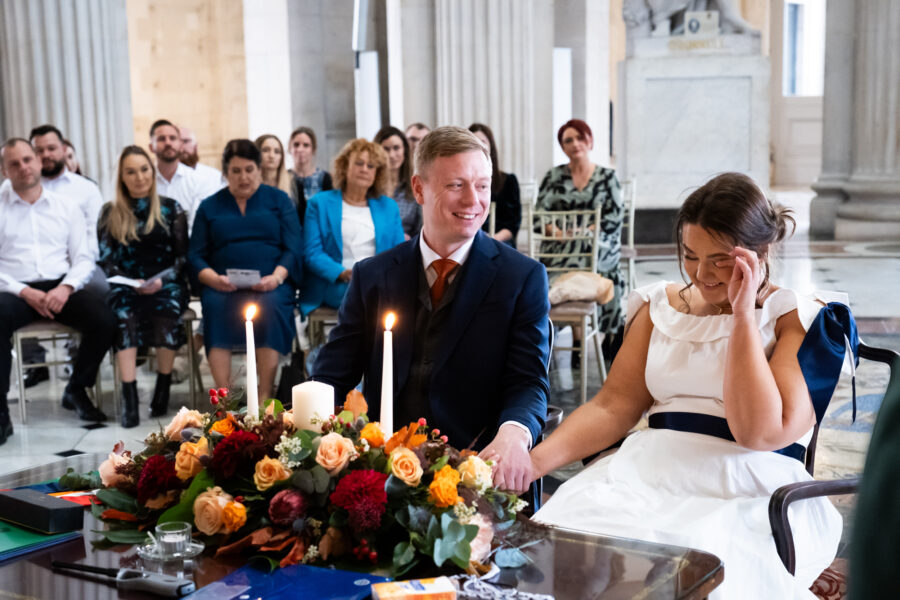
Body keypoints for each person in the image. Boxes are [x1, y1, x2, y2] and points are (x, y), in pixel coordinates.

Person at [527, 173, 843, 599]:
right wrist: (532, 464)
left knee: (700, 570)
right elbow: (612, 407)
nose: (701, 273)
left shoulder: (795, 318)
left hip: (745, 485)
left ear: (760, 251)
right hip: (644, 473)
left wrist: (743, 316)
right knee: (568, 551)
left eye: (719, 259)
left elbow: (759, 433)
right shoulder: (660, 305)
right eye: (691, 255)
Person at [311, 127, 551, 496]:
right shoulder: (372, 276)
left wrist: (514, 434)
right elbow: (332, 376)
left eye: (483, 186)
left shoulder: (522, 278)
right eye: (456, 185)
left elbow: (529, 381)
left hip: (480, 471)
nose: (474, 200)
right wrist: (302, 429)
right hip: (384, 474)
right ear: (420, 189)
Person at [0, 139, 114, 434]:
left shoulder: (66, 206)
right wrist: (24, 291)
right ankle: (1, 408)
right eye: (14, 163)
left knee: (105, 319)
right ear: (4, 170)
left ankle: (76, 388)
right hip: (14, 289)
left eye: (27, 159)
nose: (23, 167)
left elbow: (84, 257)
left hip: (59, 285)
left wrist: (66, 288)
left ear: (38, 162)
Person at [188, 139, 302, 402]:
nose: (243, 177)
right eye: (236, 171)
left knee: (272, 305)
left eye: (249, 169)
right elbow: (195, 255)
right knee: (213, 305)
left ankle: (263, 396)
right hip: (222, 287)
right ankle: (225, 400)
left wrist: (277, 277)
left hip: (270, 285)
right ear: (225, 172)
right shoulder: (209, 206)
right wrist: (212, 279)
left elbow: (293, 247)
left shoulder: (279, 201)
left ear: (260, 170)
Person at [97, 146, 190, 427]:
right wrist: (130, 281)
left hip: (166, 283)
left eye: (144, 169)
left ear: (152, 171)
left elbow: (183, 258)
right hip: (126, 285)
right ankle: (129, 397)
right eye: (131, 171)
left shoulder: (170, 207)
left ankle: (163, 388)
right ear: (122, 178)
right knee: (124, 315)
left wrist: (162, 280)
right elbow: (106, 259)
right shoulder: (110, 212)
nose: (139, 177)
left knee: (167, 310)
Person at [537, 118, 625, 340]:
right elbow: (540, 215)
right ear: (562, 146)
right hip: (560, 247)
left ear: (590, 141)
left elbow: (614, 216)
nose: (575, 143)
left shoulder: (607, 177)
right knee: (551, 272)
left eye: (580, 138)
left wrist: (587, 231)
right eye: (568, 140)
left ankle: (611, 334)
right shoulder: (553, 176)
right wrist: (557, 232)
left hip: (598, 244)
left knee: (598, 263)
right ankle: (575, 337)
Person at [299, 138, 405, 316]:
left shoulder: (388, 207)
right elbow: (312, 253)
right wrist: (344, 274)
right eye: (359, 163)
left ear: (377, 174)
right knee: (373, 300)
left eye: (371, 166)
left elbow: (399, 253)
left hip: (378, 280)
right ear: (345, 166)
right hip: (335, 282)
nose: (364, 169)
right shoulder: (320, 203)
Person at [468, 123, 521, 247]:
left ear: (491, 146)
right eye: (473, 142)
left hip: (500, 240)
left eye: (483, 142)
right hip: (469, 240)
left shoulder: (508, 181)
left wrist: (493, 238)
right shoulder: (461, 182)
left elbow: (513, 224)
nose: (478, 146)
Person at [150, 119, 207, 231]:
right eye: (161, 139)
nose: (168, 143)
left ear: (181, 145)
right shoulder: (145, 182)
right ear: (151, 147)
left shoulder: (197, 180)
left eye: (172, 138)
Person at [374, 125, 422, 239]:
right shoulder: (370, 187)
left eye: (396, 148)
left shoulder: (415, 186)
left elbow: (420, 229)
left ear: (404, 150)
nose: (391, 155)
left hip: (406, 250)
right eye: (386, 149)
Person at [288, 126, 333, 227]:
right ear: (290, 148)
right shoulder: (284, 178)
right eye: (296, 145)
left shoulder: (324, 178)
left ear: (313, 149)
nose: (300, 149)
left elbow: (329, 211)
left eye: (306, 145)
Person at [178, 125, 226, 198]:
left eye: (186, 141)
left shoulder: (215, 177)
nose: (181, 146)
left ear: (196, 145)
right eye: (177, 141)